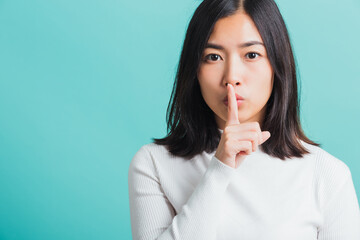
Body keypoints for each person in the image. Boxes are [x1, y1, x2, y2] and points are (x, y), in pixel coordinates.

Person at [128, 0, 360, 239]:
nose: (232, 77)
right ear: (194, 68)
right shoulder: (153, 164)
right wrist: (219, 169)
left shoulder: (327, 174)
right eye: (213, 57)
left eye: (251, 54)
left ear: (277, 64)